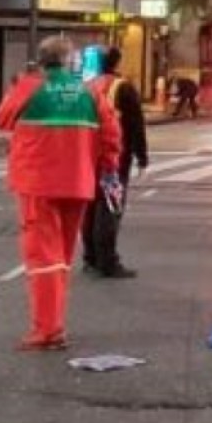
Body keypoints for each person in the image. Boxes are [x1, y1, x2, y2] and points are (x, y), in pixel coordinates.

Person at [0, 36, 122, 351]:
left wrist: (22, 85)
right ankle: (54, 324)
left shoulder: (30, 87)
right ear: (69, 62)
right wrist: (108, 170)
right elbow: (111, 137)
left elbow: (1, 119)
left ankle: (48, 330)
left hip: (38, 182)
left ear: (40, 60)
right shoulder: (91, 92)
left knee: (43, 258)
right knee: (61, 256)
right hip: (78, 182)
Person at [81, 47, 148, 280]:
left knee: (90, 208)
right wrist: (142, 156)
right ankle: (108, 261)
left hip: (88, 160)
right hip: (114, 161)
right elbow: (136, 124)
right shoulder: (123, 87)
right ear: (117, 63)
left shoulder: (88, 87)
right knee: (110, 209)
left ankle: (90, 257)